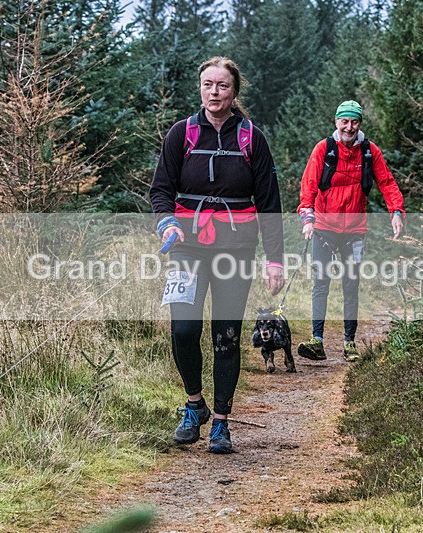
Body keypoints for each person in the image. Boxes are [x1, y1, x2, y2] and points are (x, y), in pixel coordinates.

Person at [150, 56, 284, 454]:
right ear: (200, 88)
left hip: (236, 249)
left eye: (222, 86)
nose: (214, 92)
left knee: (225, 336)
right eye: (208, 84)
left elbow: (269, 203)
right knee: (184, 331)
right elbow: (160, 190)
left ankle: (221, 424)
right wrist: (167, 223)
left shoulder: (252, 139)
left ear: (234, 92)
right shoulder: (181, 134)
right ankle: (195, 405)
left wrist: (274, 260)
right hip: (187, 248)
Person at [296, 100, 405, 362]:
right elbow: (308, 185)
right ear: (336, 122)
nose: (349, 127)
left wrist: (397, 212)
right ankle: (317, 340)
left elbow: (387, 182)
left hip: (355, 231)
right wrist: (307, 219)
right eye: (344, 121)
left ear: (359, 124)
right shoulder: (324, 149)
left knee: (350, 285)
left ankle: (349, 342)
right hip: (323, 227)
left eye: (354, 121)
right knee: (321, 282)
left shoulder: (369, 151)